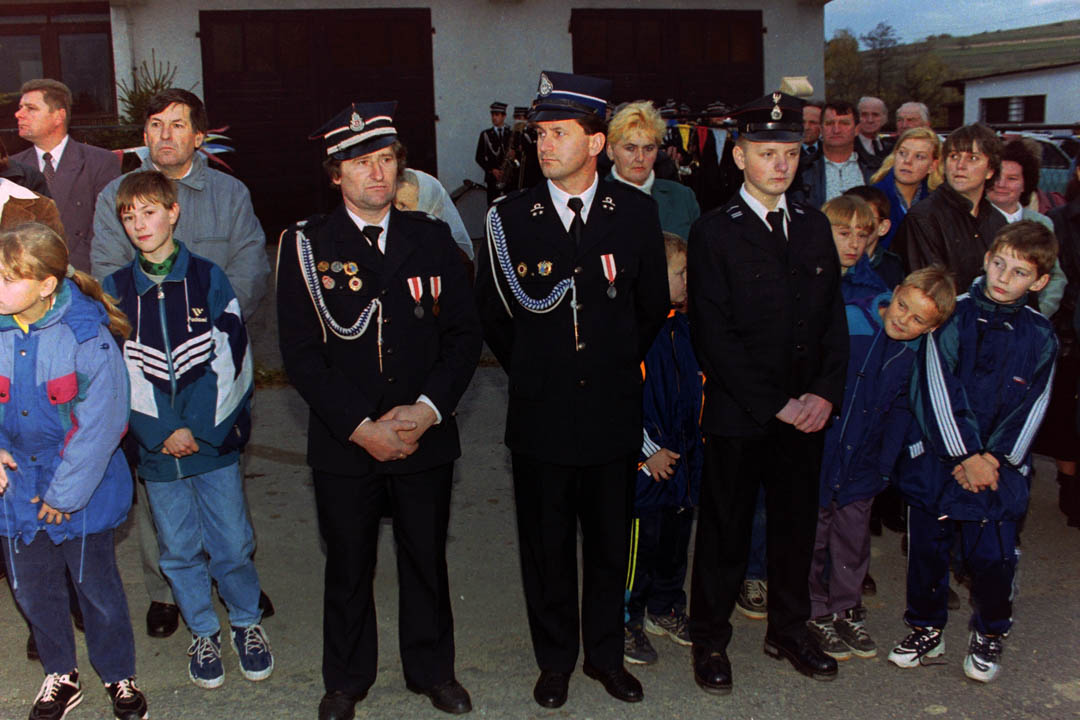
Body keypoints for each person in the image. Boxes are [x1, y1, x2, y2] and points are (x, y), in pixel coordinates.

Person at [277, 102, 481, 720]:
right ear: (335, 174)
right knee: (348, 564)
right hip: (346, 440)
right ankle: (345, 681)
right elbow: (302, 353)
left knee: (426, 559)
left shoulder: (431, 238)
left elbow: (463, 336)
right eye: (361, 162)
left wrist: (427, 411)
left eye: (387, 159)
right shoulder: (307, 245)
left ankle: (433, 672)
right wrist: (362, 428)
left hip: (423, 435)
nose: (377, 173)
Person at [475, 70, 669, 709]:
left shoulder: (635, 213)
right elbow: (495, 316)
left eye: (559, 133)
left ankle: (605, 658)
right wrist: (543, 371)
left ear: (596, 142)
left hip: (612, 410)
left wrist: (608, 365)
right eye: (540, 135)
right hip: (542, 413)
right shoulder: (508, 218)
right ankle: (555, 661)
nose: (544, 145)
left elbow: (650, 308)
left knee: (610, 544)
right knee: (546, 547)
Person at [91, 88, 271, 640]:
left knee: (221, 480)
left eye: (177, 124)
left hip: (215, 364)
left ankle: (233, 578)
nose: (164, 135)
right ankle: (165, 591)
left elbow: (249, 263)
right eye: (154, 125)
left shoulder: (228, 193)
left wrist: (214, 327)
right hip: (145, 366)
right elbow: (108, 274)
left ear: (199, 135)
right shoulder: (115, 196)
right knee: (160, 489)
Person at [686, 91, 848, 695]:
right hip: (742, 412)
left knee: (794, 528)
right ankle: (709, 639)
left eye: (791, 153)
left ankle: (789, 629)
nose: (780, 164)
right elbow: (714, 335)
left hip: (806, 413)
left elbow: (831, 319)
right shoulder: (713, 233)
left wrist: (824, 394)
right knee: (725, 531)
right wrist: (775, 403)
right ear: (739, 156)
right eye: (766, 152)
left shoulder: (812, 225)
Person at [889, 220, 1058, 683]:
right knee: (927, 552)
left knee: (993, 557)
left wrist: (995, 459)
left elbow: (1034, 405)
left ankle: (989, 632)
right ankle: (926, 628)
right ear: (986, 259)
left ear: (1039, 281)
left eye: (1020, 272)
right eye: (999, 264)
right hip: (940, 461)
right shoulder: (952, 315)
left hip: (999, 471)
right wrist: (965, 455)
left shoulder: (1041, 334)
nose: (1004, 277)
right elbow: (936, 387)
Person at [0, 222, 148, 720]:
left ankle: (118, 674)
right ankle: (60, 674)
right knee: (33, 590)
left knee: (96, 590)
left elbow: (102, 424)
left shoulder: (88, 336)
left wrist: (64, 496)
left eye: (8, 279)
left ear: (46, 285)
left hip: (80, 488)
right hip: (15, 490)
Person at [807, 267, 955, 662]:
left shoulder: (915, 354)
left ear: (931, 328)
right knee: (813, 535)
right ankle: (814, 609)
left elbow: (902, 412)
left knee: (852, 540)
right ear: (895, 290)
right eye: (902, 306)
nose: (903, 320)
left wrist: (885, 467)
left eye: (917, 319)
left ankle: (846, 607)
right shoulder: (851, 320)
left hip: (865, 464)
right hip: (823, 452)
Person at [623, 232, 703, 667]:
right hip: (647, 467)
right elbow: (619, 400)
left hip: (683, 463)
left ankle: (666, 607)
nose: (688, 281)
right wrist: (647, 450)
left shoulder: (684, 328)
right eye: (680, 273)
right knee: (640, 548)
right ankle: (625, 619)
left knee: (675, 542)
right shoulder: (636, 332)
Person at [13, 79, 122, 271]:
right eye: (20, 107)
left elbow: (108, 229)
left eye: (31, 108)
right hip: (25, 275)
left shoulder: (100, 163)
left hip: (82, 275)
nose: (19, 114)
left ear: (58, 116)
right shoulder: (11, 168)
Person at [891, 123, 1006, 292]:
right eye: (954, 156)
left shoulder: (998, 221)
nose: (960, 165)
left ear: (990, 171)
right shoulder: (923, 218)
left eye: (973, 158)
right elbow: (930, 292)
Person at [986, 138, 1067, 317]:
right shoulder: (973, 219)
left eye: (1012, 178)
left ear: (1025, 184)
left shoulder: (1042, 223)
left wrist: (1038, 313)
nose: (1001, 184)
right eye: (996, 177)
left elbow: (1055, 277)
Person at [606, 101, 701, 240]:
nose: (640, 157)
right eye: (630, 148)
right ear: (610, 151)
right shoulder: (592, 199)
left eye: (649, 148)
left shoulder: (683, 198)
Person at [1044, 165, 1080, 527]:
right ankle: (1069, 487)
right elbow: (1058, 278)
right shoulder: (1058, 221)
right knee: (1067, 418)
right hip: (1070, 332)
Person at [870, 127, 944, 250]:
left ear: (932, 166)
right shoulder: (871, 199)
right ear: (895, 156)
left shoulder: (937, 204)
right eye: (903, 153)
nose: (907, 161)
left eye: (919, 156)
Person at [794, 101, 874, 209]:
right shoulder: (801, 170)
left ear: (857, 129)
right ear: (821, 129)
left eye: (844, 123)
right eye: (829, 123)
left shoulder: (875, 169)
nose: (836, 130)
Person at [394, 168, 475, 261]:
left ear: (432, 209)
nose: (395, 211)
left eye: (404, 206)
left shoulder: (449, 255)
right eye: (392, 204)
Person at [820, 194, 886, 303]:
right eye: (844, 234)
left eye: (862, 235)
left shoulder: (873, 290)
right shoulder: (801, 273)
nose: (855, 244)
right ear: (824, 232)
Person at [845, 185, 905, 289]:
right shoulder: (830, 262)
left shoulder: (892, 266)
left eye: (867, 218)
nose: (856, 224)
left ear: (883, 227)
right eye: (848, 217)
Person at [475, 101, 511, 204]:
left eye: (497, 115)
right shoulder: (485, 134)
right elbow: (479, 157)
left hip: (508, 178)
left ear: (504, 116)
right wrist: (491, 170)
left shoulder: (510, 134)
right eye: (492, 115)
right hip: (493, 179)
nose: (494, 118)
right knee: (493, 205)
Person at [854, 97, 893, 171]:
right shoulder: (849, 149)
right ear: (857, 118)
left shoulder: (891, 149)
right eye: (864, 115)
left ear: (885, 119)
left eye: (875, 115)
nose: (870, 120)